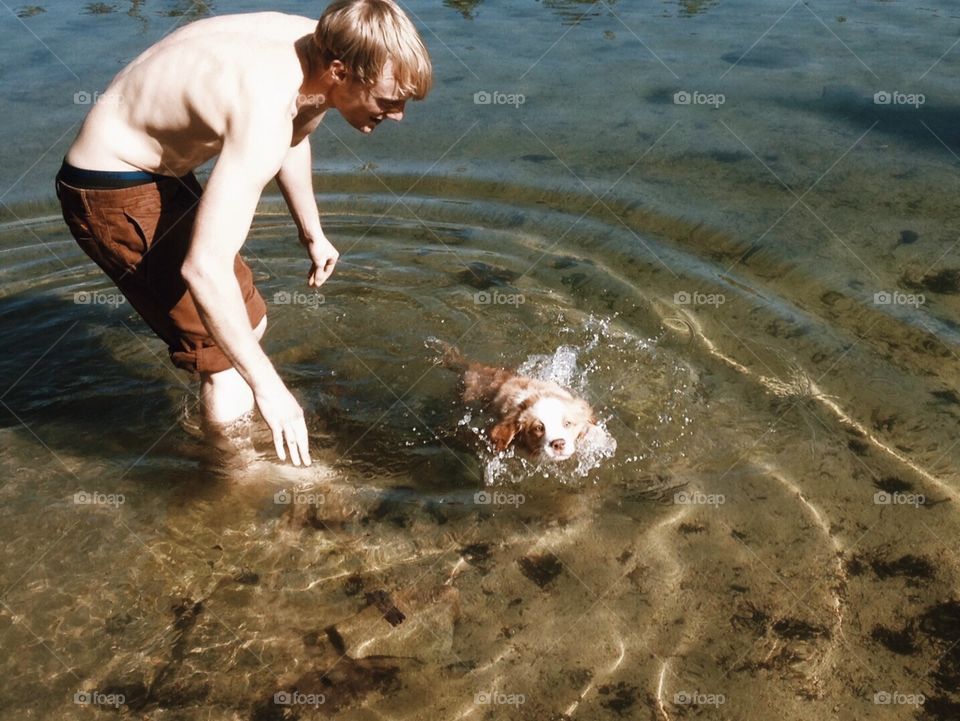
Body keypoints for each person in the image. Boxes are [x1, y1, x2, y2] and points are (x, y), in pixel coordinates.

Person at [56, 0, 432, 466]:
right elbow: (203, 268)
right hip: (110, 188)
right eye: (388, 100)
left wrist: (311, 230)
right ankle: (237, 483)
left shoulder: (320, 45)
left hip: (156, 170)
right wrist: (272, 390)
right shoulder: (263, 105)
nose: (397, 115)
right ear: (341, 72)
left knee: (248, 327)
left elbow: (294, 132)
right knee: (227, 361)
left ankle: (233, 444)